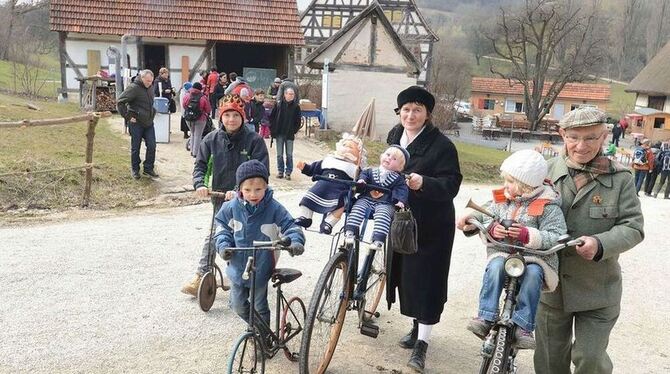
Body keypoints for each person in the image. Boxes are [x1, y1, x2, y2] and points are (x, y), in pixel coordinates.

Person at [533, 107, 644, 374]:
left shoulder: (621, 179)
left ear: (604, 136)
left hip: (598, 291)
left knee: (590, 358)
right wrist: (475, 216)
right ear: (562, 135)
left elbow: (633, 227)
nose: (581, 146)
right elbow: (511, 198)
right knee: (549, 362)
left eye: (591, 138)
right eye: (573, 138)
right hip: (550, 288)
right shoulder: (542, 173)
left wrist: (600, 243)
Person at [457, 149, 567, 350]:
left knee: (534, 274)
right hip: (504, 252)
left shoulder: (548, 205)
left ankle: (523, 326)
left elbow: (556, 234)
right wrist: (489, 226)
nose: (505, 185)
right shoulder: (502, 198)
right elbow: (486, 214)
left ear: (524, 185)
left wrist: (527, 235)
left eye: (510, 181)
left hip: (535, 258)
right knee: (496, 266)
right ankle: (485, 316)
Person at [385, 86, 462, 373]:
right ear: (399, 112)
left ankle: (423, 345)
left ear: (428, 114)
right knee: (407, 277)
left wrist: (423, 183)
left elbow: (452, 184)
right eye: (406, 109)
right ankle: (417, 328)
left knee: (427, 282)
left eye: (417, 110)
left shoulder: (442, 146)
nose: (410, 114)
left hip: (433, 224)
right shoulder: (395, 136)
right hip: (403, 219)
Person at [180, 94, 269, 296]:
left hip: (248, 200)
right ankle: (201, 274)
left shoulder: (254, 141)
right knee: (215, 234)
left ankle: (242, 272)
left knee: (243, 236)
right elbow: (200, 166)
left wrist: (240, 191)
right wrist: (199, 183)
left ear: (243, 117)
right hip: (220, 197)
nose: (231, 120)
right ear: (221, 117)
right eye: (227, 115)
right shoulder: (211, 139)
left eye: (235, 115)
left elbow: (262, 172)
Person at [215, 160, 305, 331]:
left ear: (266, 187)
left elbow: (291, 226)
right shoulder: (231, 207)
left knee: (259, 306)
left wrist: (295, 241)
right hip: (237, 266)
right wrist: (223, 245)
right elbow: (221, 227)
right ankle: (257, 328)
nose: (253, 194)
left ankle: (263, 336)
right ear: (240, 188)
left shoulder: (274, 208)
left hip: (262, 266)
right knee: (237, 306)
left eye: (258, 189)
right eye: (247, 190)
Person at [295, 134, 366, 233]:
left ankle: (328, 223)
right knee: (307, 198)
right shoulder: (328, 160)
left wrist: (360, 185)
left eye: (350, 147)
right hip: (321, 187)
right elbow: (314, 169)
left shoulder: (355, 168)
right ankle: (305, 217)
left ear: (359, 154)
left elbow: (361, 183)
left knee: (341, 205)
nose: (346, 148)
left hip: (340, 191)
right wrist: (305, 167)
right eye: (344, 145)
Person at [344, 145, 410, 250]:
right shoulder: (370, 171)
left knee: (383, 215)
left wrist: (400, 200)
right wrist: (362, 181)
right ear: (382, 156)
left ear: (400, 167)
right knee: (358, 207)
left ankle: (378, 239)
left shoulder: (398, 180)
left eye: (394, 159)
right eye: (388, 155)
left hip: (385, 203)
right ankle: (350, 231)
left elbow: (401, 190)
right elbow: (364, 175)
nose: (389, 158)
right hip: (366, 199)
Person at [116, 69, 158, 180]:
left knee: (152, 145)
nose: (150, 83)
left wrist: (153, 113)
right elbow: (120, 101)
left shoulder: (150, 87)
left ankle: (148, 168)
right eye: (148, 81)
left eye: (151, 81)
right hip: (136, 123)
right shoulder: (134, 88)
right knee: (136, 147)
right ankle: (135, 169)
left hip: (149, 122)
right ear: (142, 78)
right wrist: (127, 116)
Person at [269, 87, 301, 180]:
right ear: (285, 94)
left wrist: (294, 130)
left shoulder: (296, 106)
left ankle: (288, 172)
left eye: (292, 94)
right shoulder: (278, 104)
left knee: (289, 155)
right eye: (289, 94)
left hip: (289, 134)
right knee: (279, 154)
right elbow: (272, 117)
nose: (291, 96)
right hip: (279, 133)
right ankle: (280, 171)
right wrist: (273, 129)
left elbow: (298, 121)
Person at [181, 82, 212, 158]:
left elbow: (184, 106)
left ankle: (191, 150)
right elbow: (208, 109)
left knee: (192, 133)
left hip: (188, 118)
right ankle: (196, 153)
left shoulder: (187, 96)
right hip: (201, 118)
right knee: (198, 135)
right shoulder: (203, 97)